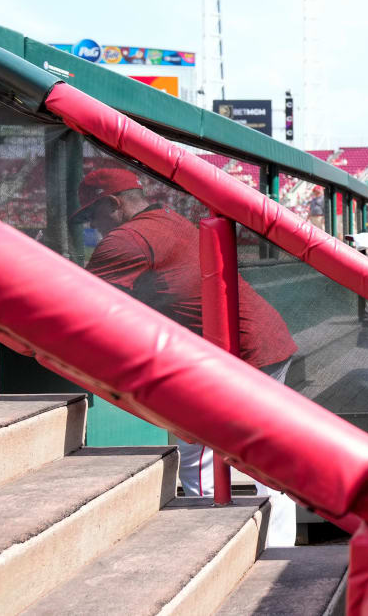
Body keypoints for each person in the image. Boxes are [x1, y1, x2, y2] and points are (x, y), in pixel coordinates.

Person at [72, 167, 301, 548]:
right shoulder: (167, 219)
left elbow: (75, 302)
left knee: (212, 456)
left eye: (91, 215)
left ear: (113, 205)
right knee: (249, 457)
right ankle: (260, 549)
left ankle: (225, 547)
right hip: (253, 344)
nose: (92, 227)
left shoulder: (126, 238)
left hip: (240, 353)